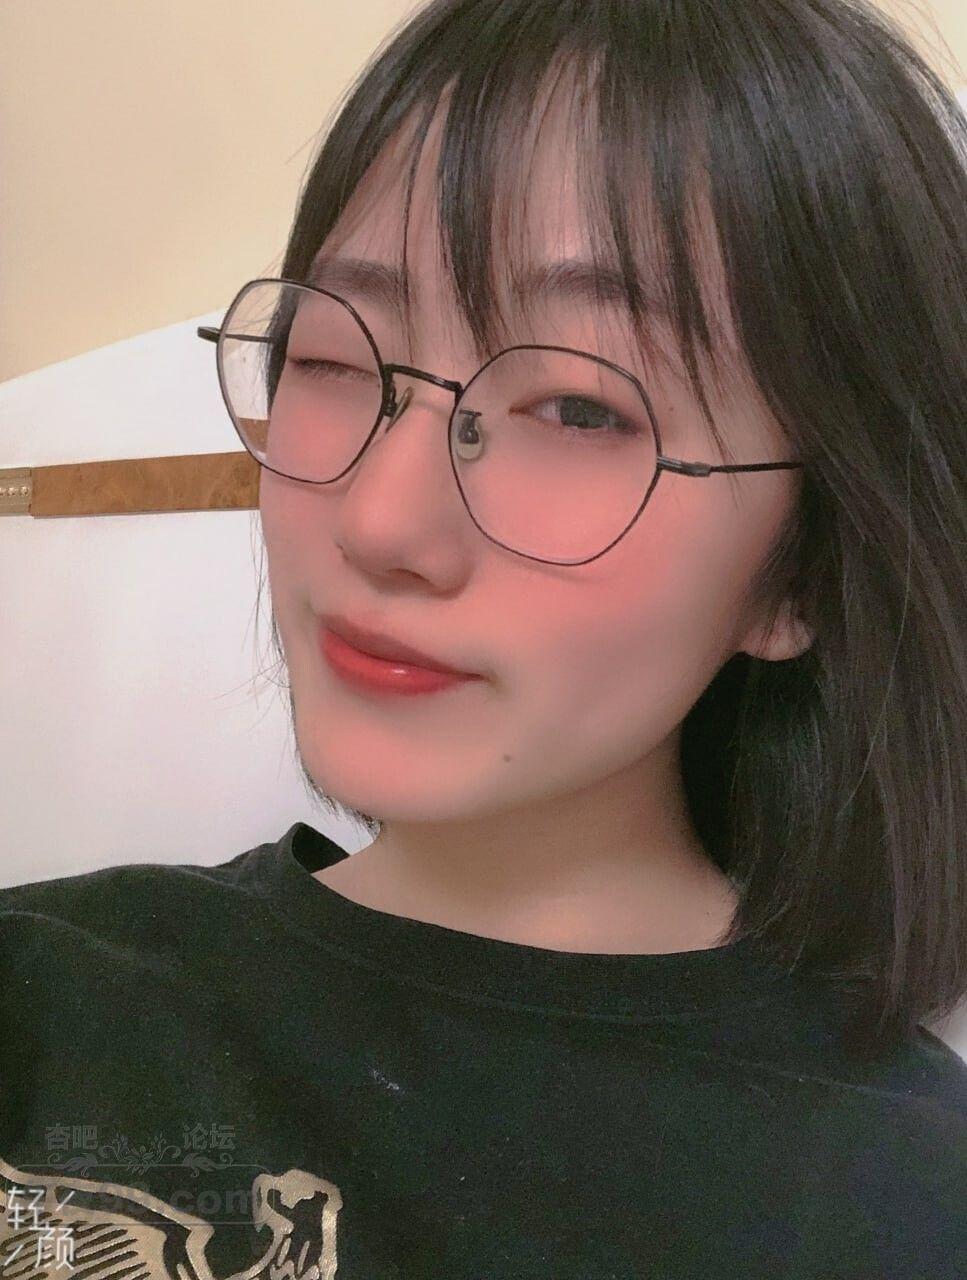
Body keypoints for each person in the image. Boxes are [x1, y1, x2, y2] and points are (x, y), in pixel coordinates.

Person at [2, 1, 965, 1276]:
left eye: (578, 407)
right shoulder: (45, 993)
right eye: (335, 355)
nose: (381, 519)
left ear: (802, 573)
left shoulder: (908, 1203)